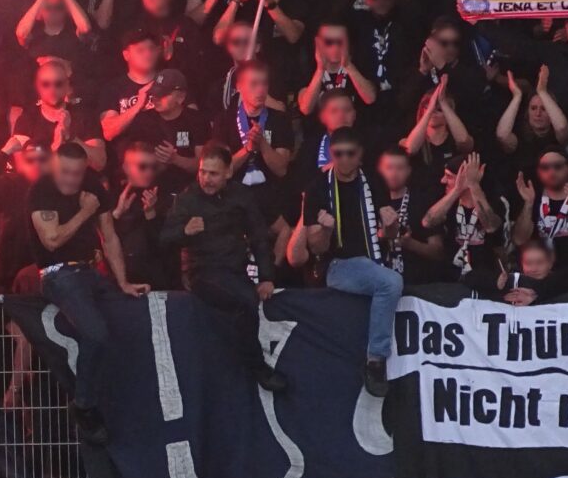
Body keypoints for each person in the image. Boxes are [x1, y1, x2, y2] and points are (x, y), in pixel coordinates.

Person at [30, 142, 149, 444]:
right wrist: (86, 211)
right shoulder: (42, 190)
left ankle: (126, 398)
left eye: (77, 174)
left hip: (91, 271)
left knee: (130, 316)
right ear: (56, 168)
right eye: (65, 173)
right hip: (58, 274)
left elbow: (109, 236)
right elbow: (52, 241)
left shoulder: (93, 185)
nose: (71, 180)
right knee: (96, 333)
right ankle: (84, 405)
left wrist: (123, 282)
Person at [162, 144, 287, 391]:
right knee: (245, 300)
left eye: (213, 174)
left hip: (235, 270)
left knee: (247, 299)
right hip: (201, 272)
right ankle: (257, 367)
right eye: (203, 172)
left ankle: (233, 364)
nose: (206, 179)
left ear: (228, 172)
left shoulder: (241, 195)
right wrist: (184, 232)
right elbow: (163, 239)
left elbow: (259, 237)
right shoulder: (188, 199)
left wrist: (267, 277)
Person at [288, 128, 400, 396]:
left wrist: (393, 224)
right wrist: (325, 229)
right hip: (336, 265)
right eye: (339, 154)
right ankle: (376, 361)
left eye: (350, 154)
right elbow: (316, 248)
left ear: (360, 156)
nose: (345, 159)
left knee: (387, 279)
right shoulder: (316, 188)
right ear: (332, 154)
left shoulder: (374, 182)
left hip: (372, 263)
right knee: (392, 282)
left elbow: (390, 235)